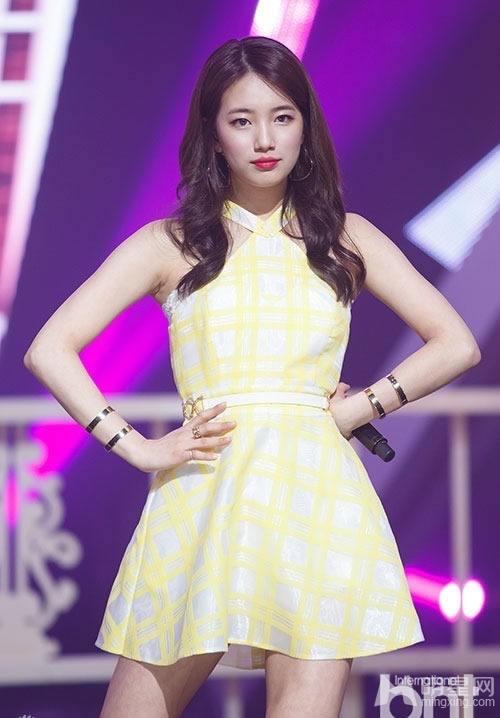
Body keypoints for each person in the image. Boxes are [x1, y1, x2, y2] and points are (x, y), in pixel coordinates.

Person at [24, 35, 481, 718]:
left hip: (316, 495)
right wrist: (137, 446)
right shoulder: (171, 242)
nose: (265, 139)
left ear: (304, 126)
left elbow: (456, 342)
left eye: (282, 117)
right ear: (214, 135)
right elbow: (50, 348)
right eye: (242, 120)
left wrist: (360, 409)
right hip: (203, 490)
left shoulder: (345, 237)